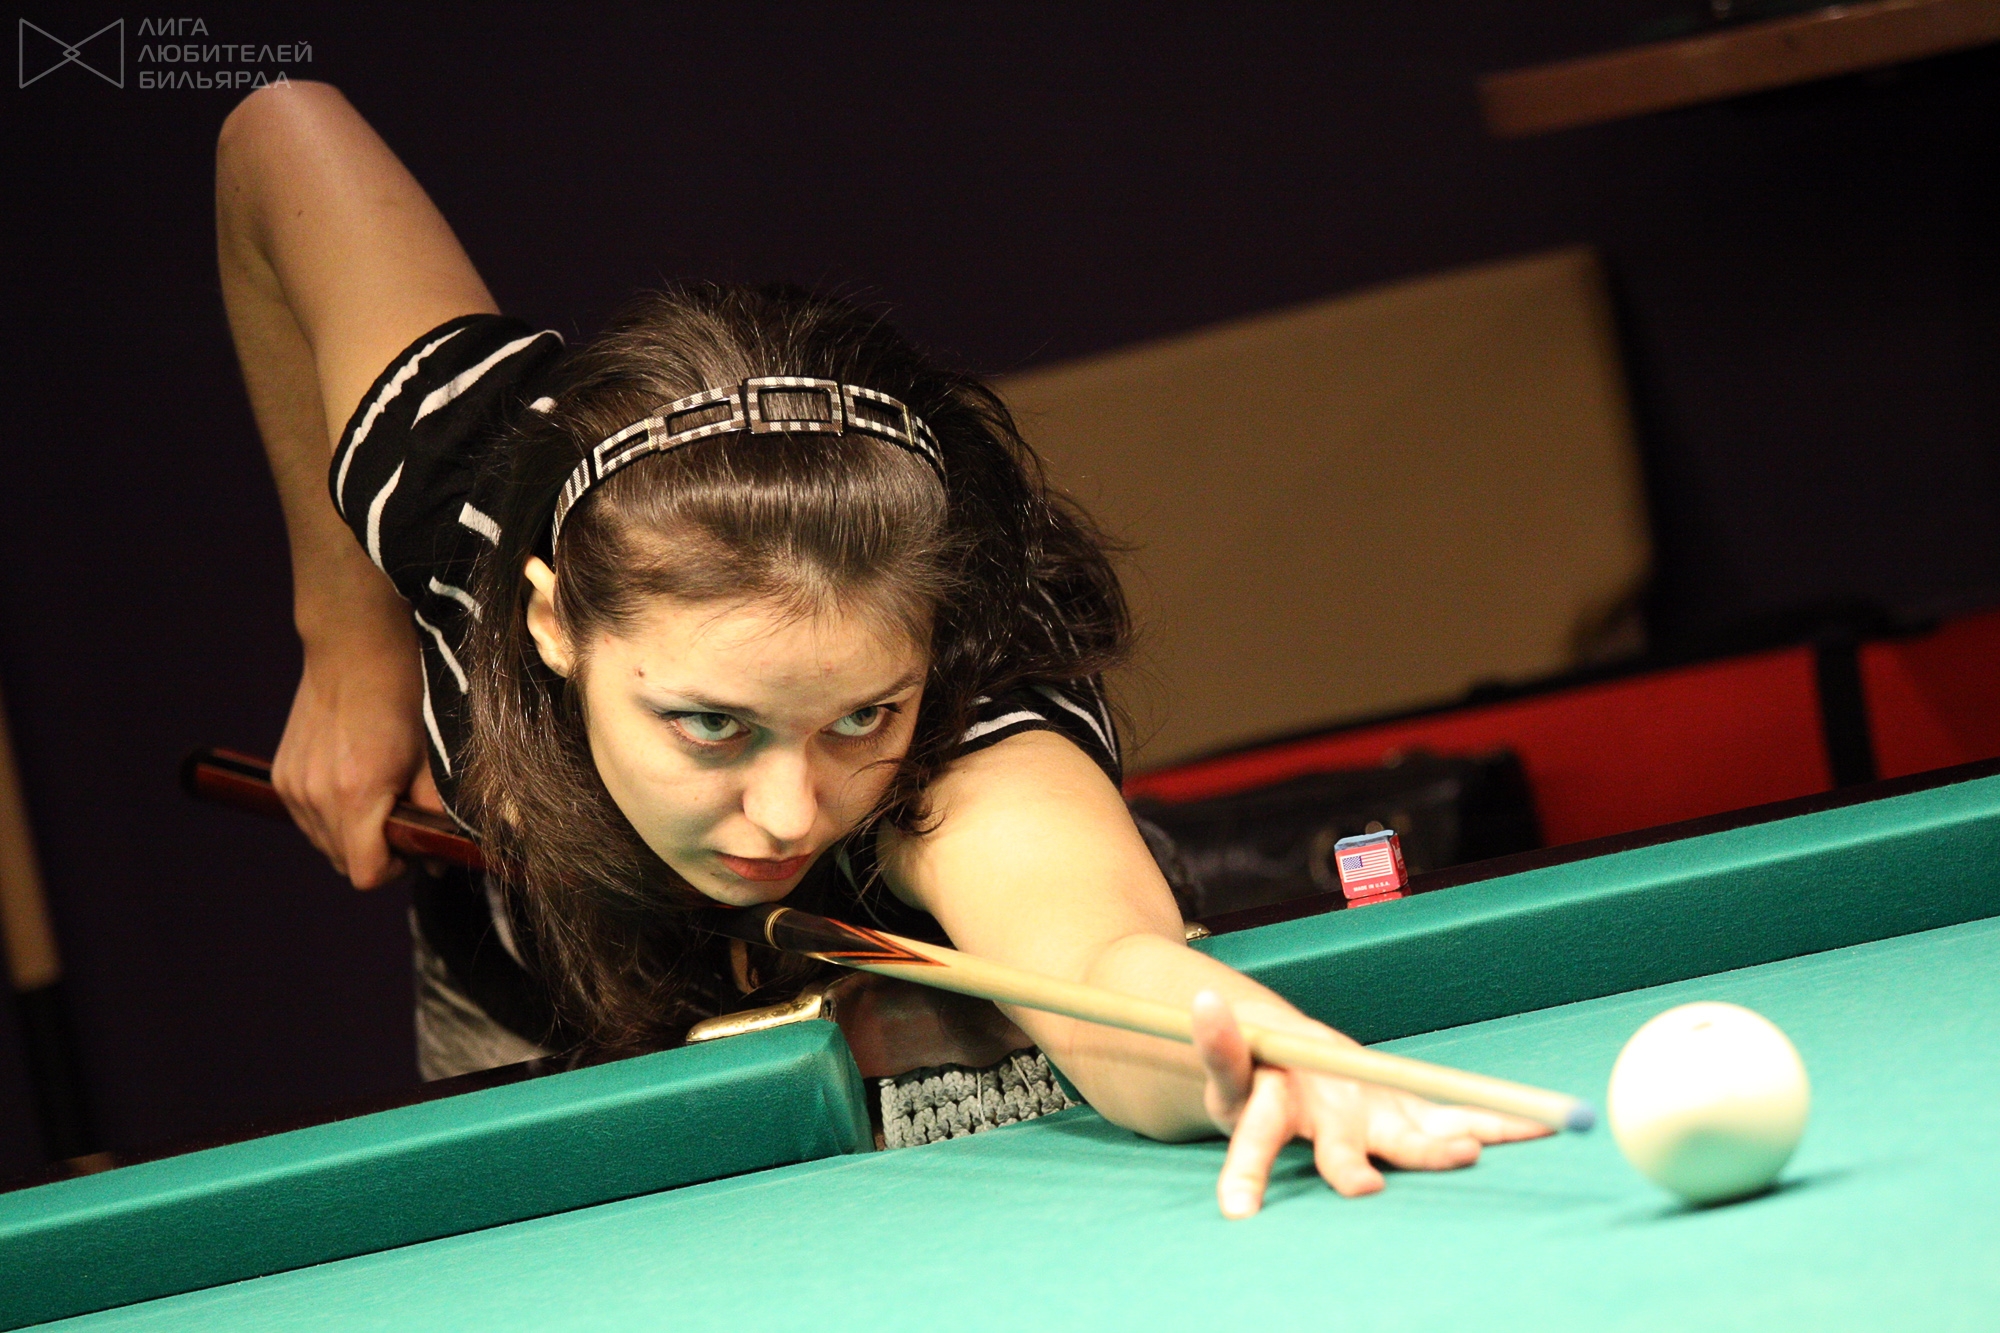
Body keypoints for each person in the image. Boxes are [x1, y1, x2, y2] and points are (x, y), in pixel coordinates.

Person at [215, 79, 1546, 1218]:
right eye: (711, 724)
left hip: (929, 1040)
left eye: (861, 716)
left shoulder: (974, 717)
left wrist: (1245, 1057)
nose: (791, 812)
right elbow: (278, 132)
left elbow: (1094, 963)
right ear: (554, 622)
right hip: (537, 987)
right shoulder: (454, 483)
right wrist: (347, 642)